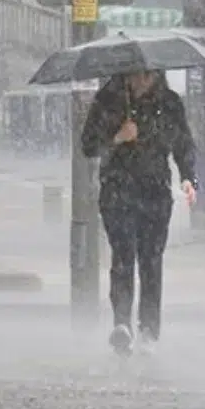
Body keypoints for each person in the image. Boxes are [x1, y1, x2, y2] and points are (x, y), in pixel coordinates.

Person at [81, 70, 197, 355]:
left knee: (151, 261)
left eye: (149, 76)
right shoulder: (108, 101)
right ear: (126, 75)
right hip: (117, 191)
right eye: (137, 76)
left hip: (154, 192)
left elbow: (183, 144)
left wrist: (188, 177)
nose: (143, 81)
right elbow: (88, 145)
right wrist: (118, 137)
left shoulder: (169, 103)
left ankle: (149, 330)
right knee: (123, 257)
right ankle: (122, 324)